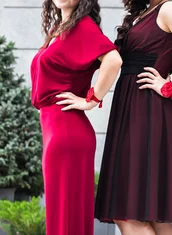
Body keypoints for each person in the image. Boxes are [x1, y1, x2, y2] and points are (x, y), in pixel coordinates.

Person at [94, 0, 172, 234]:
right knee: (153, 216)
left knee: (127, 213)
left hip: (149, 113)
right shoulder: (144, 12)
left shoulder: (169, 9)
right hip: (132, 111)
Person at [31, 0, 122, 234]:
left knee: (66, 217)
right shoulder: (62, 28)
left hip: (67, 133)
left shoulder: (82, 26)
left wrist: (91, 100)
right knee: (62, 215)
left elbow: (113, 60)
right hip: (57, 132)